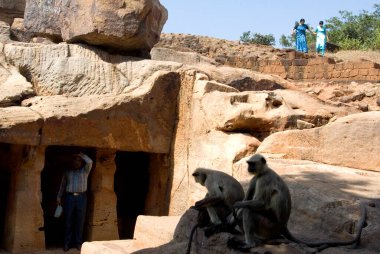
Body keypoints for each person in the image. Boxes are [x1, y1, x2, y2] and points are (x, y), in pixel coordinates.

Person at [57, 152, 93, 251]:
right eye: (75, 160)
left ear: (81, 162)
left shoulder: (85, 171)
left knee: (80, 221)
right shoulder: (67, 172)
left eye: (79, 160)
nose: (77, 162)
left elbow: (90, 162)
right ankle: (66, 244)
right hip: (69, 198)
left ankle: (78, 244)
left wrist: (81, 154)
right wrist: (59, 197)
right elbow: (62, 185)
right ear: (72, 162)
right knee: (68, 221)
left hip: (82, 198)